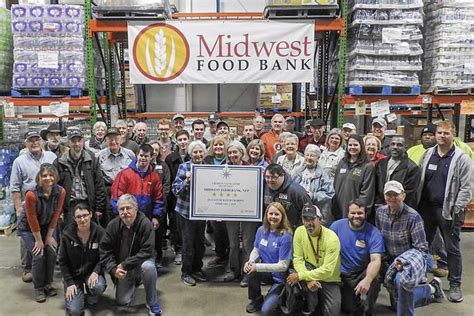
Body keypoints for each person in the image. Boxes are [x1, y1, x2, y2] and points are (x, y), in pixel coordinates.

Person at [418, 120, 472, 303]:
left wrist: (456, 208)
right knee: (422, 245)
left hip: (448, 211)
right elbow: (420, 179)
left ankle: (455, 284)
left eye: (446, 133)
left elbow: (467, 187)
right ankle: (421, 278)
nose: (441, 136)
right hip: (427, 209)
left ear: (453, 135)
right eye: (439, 133)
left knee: (452, 248)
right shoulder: (428, 155)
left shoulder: (461, 158)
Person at [375, 181, 445, 316]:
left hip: (410, 260)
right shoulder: (380, 213)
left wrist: (404, 262)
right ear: (384, 197)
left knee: (401, 282)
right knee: (398, 301)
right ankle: (431, 288)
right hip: (390, 259)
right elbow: (379, 238)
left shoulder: (413, 217)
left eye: (395, 194)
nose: (392, 198)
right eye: (388, 194)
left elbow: (421, 248)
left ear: (403, 196)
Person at [99, 194, 161, 315]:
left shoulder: (145, 224)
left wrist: (124, 264)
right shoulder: (112, 226)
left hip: (140, 263)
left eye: (128, 208)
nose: (125, 212)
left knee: (148, 267)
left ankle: (152, 303)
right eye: (122, 209)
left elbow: (147, 251)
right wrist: (113, 269)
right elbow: (105, 250)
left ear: (136, 209)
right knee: (122, 301)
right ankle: (135, 280)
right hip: (124, 268)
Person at [10, 130, 57, 283]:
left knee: (47, 236)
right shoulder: (19, 161)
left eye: (37, 139)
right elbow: (15, 187)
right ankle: (27, 268)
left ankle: (45, 267)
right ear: (26, 144)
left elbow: (58, 181)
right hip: (28, 205)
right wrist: (18, 208)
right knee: (27, 240)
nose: (34, 143)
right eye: (31, 140)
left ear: (42, 141)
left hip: (48, 206)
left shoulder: (52, 157)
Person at [18, 163, 65, 302]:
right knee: (38, 254)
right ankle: (39, 288)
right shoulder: (31, 194)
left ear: (55, 177)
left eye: (51, 175)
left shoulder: (60, 191)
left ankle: (48, 284)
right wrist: (39, 240)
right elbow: (31, 219)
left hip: (47, 226)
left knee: (51, 250)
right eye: (44, 175)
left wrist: (49, 236)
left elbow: (56, 213)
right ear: (39, 177)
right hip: (28, 228)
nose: (48, 178)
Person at [330, 200, 385, 316]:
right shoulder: (336, 227)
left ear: (365, 214)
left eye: (360, 213)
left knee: (375, 277)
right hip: (342, 274)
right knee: (349, 308)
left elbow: (375, 260)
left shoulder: (374, 233)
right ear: (348, 213)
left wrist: (367, 279)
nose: (356, 216)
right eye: (353, 213)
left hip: (361, 272)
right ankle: (354, 303)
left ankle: (370, 309)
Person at [287, 204, 341, 315]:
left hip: (329, 279)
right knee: (291, 281)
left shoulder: (332, 238)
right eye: (305, 219)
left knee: (333, 313)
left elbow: (328, 270)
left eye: (313, 219)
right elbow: (298, 259)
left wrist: (302, 276)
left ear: (320, 220)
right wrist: (308, 280)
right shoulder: (299, 231)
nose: (309, 223)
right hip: (308, 270)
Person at [220, 142, 259, 286]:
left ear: (242, 153)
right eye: (229, 153)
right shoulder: (224, 170)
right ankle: (233, 270)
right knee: (233, 244)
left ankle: (247, 273)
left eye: (235, 152)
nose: (232, 155)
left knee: (248, 243)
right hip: (230, 211)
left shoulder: (252, 169)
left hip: (248, 211)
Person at [244, 202, 293, 315]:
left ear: (282, 216)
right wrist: (251, 261)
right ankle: (256, 299)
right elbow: (256, 249)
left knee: (266, 311)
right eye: (270, 214)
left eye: (277, 214)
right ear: (266, 215)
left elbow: (283, 266)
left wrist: (258, 266)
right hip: (267, 272)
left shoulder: (286, 236)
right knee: (250, 270)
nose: (273, 217)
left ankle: (281, 297)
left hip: (280, 277)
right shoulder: (261, 230)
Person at [59, 203, 107, 315]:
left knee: (98, 286)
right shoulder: (67, 234)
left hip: (91, 273)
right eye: (79, 217)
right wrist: (70, 282)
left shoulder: (100, 232)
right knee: (75, 311)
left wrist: (96, 271)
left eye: (85, 215)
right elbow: (62, 261)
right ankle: (74, 291)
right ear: (74, 219)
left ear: (91, 214)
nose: (82, 219)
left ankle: (91, 293)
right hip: (74, 276)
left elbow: (105, 256)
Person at [172, 141, 208, 286]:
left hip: (201, 213)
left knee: (200, 243)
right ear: (190, 153)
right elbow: (175, 190)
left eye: (200, 152)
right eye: (195, 152)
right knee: (188, 244)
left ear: (204, 153)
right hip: (185, 212)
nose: (198, 155)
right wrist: (186, 181)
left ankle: (197, 268)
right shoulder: (184, 167)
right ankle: (186, 272)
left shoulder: (208, 168)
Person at [55, 128, 107, 226]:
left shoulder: (92, 159)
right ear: (68, 143)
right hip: (69, 207)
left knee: (89, 234)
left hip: (88, 204)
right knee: (70, 235)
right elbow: (56, 188)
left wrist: (99, 208)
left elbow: (99, 185)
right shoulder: (59, 162)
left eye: (79, 141)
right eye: (73, 141)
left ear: (83, 141)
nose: (77, 144)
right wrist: (60, 210)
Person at [110, 143, 165, 234]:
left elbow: (158, 198)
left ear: (151, 157)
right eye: (141, 155)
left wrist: (156, 217)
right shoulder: (124, 174)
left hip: (147, 219)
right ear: (137, 155)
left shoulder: (155, 177)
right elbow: (116, 197)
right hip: (126, 218)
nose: (143, 158)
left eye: (146, 156)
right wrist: (120, 216)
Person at [165, 129, 191, 265]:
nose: (183, 142)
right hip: (175, 198)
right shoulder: (170, 158)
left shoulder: (193, 156)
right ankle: (178, 250)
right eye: (180, 140)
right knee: (175, 226)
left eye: (185, 139)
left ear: (188, 140)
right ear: (176, 141)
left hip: (188, 198)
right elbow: (169, 180)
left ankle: (188, 250)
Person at [333, 135, 375, 219]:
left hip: (355, 213)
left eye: (355, 145)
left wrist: (358, 211)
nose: (352, 147)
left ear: (361, 146)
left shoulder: (367, 166)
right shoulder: (342, 162)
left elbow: (367, 193)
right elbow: (335, 184)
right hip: (339, 209)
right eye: (350, 145)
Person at [203, 136, 230, 267]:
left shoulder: (229, 159)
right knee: (215, 227)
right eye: (216, 145)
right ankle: (220, 254)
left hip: (228, 199)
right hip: (212, 198)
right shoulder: (207, 160)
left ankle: (230, 254)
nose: (218, 147)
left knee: (227, 228)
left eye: (221, 145)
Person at [374, 135, 420, 209]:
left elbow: (409, 194)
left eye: (399, 145)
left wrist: (392, 204)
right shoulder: (381, 163)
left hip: (400, 208)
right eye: (392, 144)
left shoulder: (412, 168)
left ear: (405, 147)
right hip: (380, 206)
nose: (395, 147)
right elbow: (376, 186)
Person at [293, 145, 335, 226]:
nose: (309, 158)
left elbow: (330, 193)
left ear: (318, 158)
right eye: (307, 155)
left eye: (312, 155)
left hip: (316, 212)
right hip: (299, 211)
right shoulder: (297, 172)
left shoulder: (323, 174)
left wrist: (313, 195)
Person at [263, 164, 312, 230]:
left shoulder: (297, 191)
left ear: (282, 175)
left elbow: (308, 214)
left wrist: (298, 230)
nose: (270, 180)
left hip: (292, 231)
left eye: (274, 177)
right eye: (267, 177)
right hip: (271, 230)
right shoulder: (263, 186)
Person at [150, 141, 172, 265]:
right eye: (152, 149)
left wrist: (160, 200)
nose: (154, 152)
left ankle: (158, 257)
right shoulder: (144, 165)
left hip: (160, 205)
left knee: (159, 233)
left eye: (156, 150)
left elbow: (167, 185)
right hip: (146, 206)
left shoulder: (163, 166)